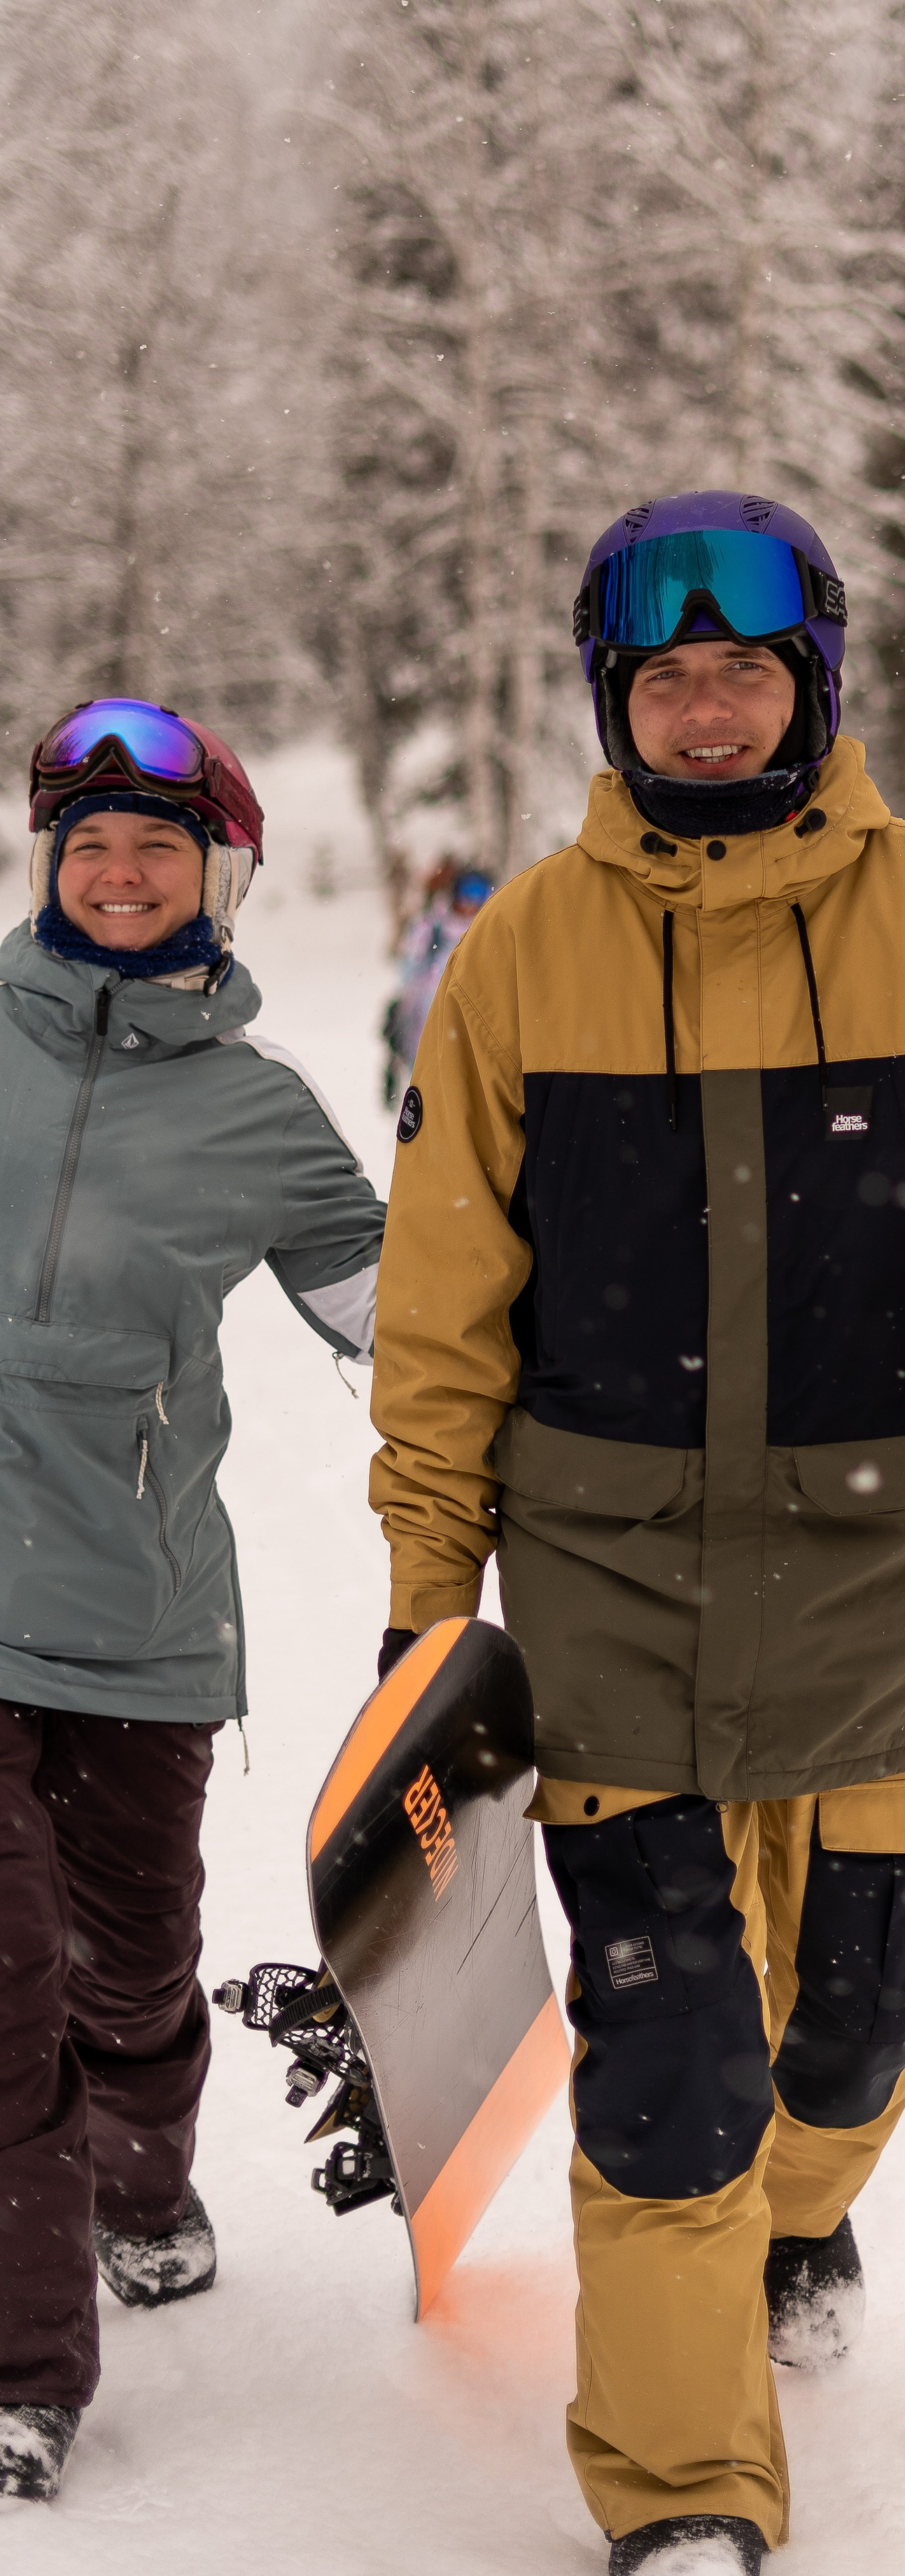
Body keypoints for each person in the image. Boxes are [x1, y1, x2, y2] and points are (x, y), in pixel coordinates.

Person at [367, 494, 905, 2571]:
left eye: (743, 673)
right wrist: (427, 1612)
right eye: (662, 679)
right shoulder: (521, 949)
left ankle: (802, 2220)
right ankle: (688, 2492)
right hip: (611, 1589)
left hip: (896, 1585)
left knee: (855, 2023)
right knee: (674, 2061)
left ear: (812, 681)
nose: (705, 712)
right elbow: (444, 1318)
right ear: (611, 700)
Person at [0, 699, 386, 2503]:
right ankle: (26, 2370)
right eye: (85, 845)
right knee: (5, 1990)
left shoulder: (259, 1114)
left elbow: (411, 1324)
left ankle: (148, 2177)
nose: (117, 871)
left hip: (138, 1621)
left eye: (156, 847)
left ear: (218, 874)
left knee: (130, 1975)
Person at [380, 859, 496, 1108]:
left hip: (474, 1031)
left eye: (480, 892)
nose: (472, 901)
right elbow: (409, 974)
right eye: (468, 891)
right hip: (426, 1027)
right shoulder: (432, 928)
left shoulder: (492, 930)